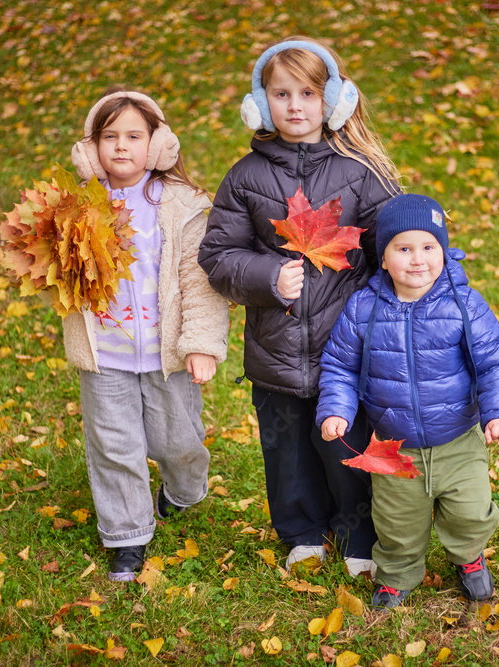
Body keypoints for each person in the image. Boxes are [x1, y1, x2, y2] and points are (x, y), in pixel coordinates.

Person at [198, 37, 401, 576]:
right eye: (281, 94)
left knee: (348, 448)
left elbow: (391, 243)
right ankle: (302, 531)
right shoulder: (246, 177)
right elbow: (217, 254)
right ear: (261, 104)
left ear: (332, 100)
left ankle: (359, 534)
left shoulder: (361, 173)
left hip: (347, 347)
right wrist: (267, 276)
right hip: (276, 346)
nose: (294, 105)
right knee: (287, 451)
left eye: (308, 93)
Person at [317, 194, 499, 608]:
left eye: (429, 247)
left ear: (443, 252)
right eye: (403, 248)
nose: (417, 260)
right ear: (384, 257)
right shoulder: (363, 308)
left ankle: (467, 556)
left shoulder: (463, 304)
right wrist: (336, 408)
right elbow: (340, 365)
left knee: (470, 510)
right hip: (395, 449)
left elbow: (495, 362)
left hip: (458, 440)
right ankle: (397, 574)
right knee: (396, 523)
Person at [64, 88, 229, 581]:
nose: (121, 147)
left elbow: (198, 280)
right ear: (91, 148)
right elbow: (54, 272)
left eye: (134, 136)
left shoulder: (180, 205)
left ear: (157, 143)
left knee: (177, 441)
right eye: (109, 136)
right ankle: (128, 536)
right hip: (107, 354)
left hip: (167, 353)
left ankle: (181, 489)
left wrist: (200, 343)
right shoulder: (75, 206)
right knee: (115, 445)